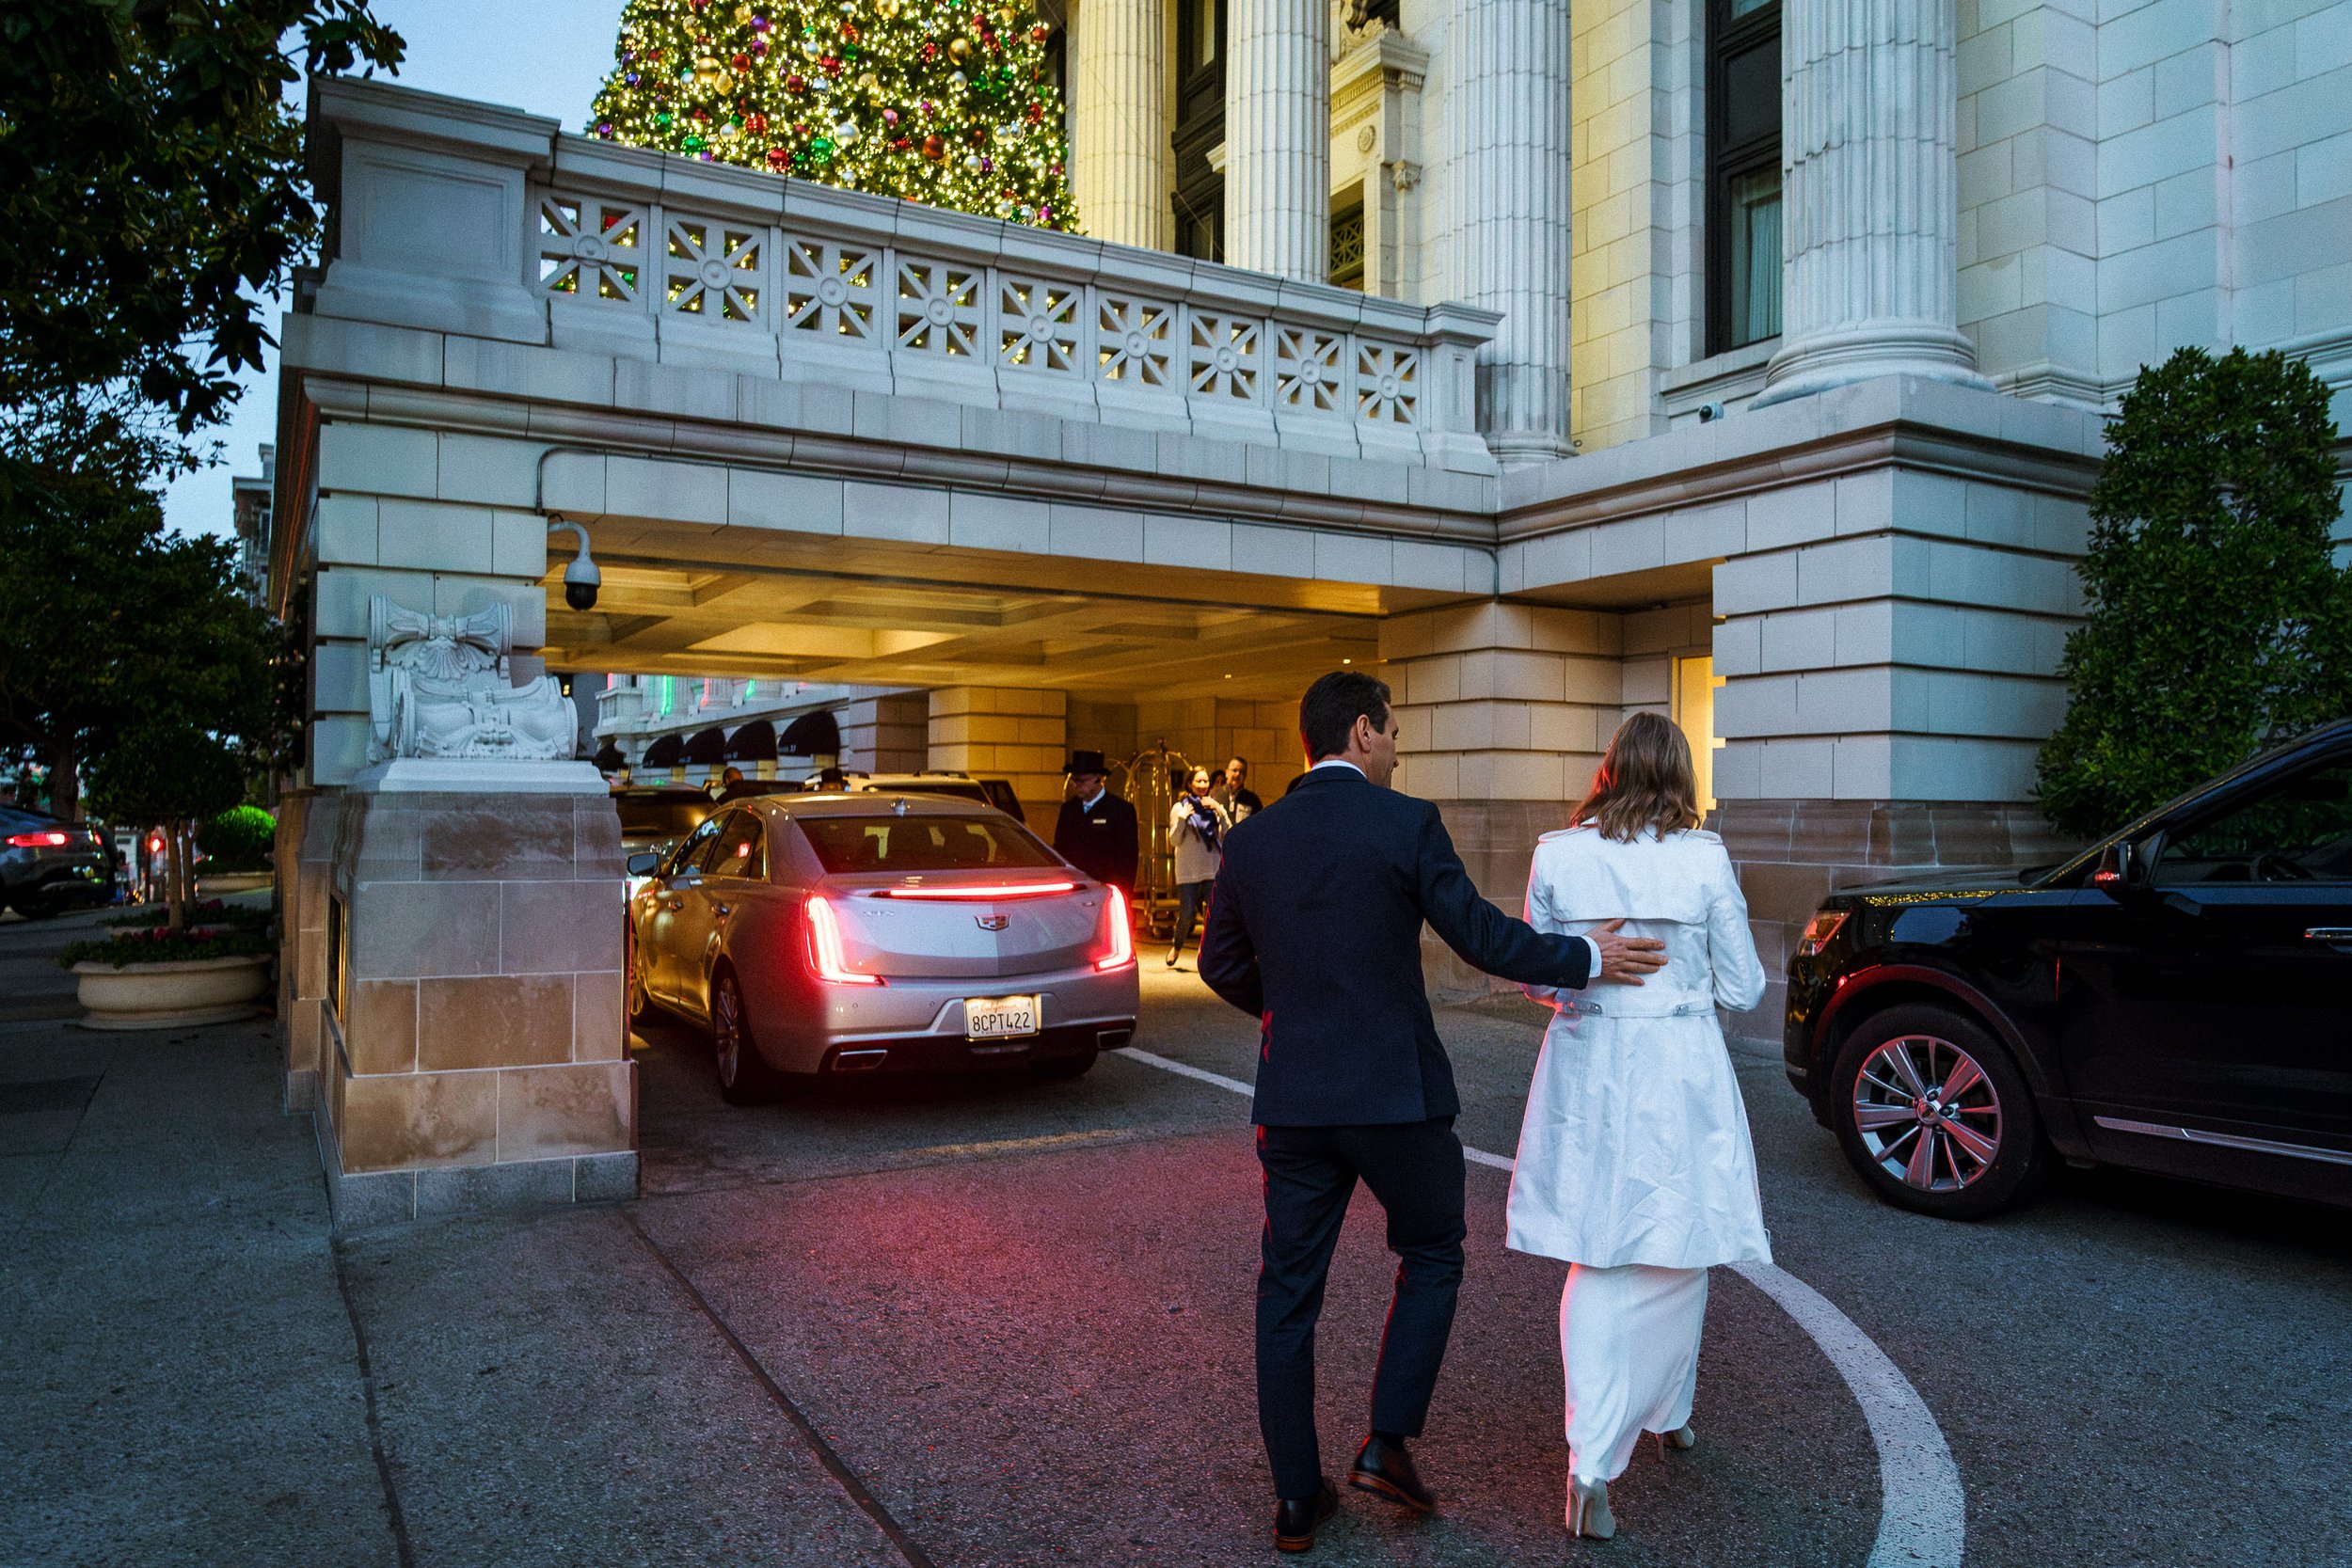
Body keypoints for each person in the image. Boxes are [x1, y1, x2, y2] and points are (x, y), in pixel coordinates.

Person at [1200, 671, 1667, 1554]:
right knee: (1433, 1250)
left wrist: (1291, 1016)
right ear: (1364, 733)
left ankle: (1297, 1498)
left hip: (1295, 1101)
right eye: (1395, 730)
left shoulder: (1252, 840)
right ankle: (1386, 1440)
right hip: (1395, 1098)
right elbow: (1483, 936)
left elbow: (1221, 963)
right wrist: (1586, 955)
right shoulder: (1404, 821)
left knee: (1286, 1295)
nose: (1400, 746)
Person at [1506, 711, 1769, 1542]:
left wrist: (1587, 959)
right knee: (1680, 1240)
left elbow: (1536, 980)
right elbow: (1746, 988)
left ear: (1609, 769)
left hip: (1589, 1066)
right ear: (1681, 776)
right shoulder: (1702, 858)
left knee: (1599, 1250)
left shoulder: (1559, 853)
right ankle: (1665, 1414)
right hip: (1680, 1071)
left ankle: (1599, 1452)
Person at [1165, 766, 1231, 967]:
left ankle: (1206, 950)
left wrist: (1220, 811)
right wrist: (1183, 818)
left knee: (1214, 913)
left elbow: (1227, 835)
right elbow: (1174, 840)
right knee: (1188, 914)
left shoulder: (1213, 806)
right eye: (1198, 781)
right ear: (1190, 784)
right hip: (1188, 871)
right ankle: (1176, 946)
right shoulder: (1180, 807)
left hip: (1211, 869)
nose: (1202, 785)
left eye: (1205, 781)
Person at [1051, 750, 1137, 895]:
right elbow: (1060, 850)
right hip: (1074, 890)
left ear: (1098, 779)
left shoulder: (1120, 810)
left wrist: (1123, 895)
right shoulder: (1069, 809)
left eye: (1081, 781)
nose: (1075, 785)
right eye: (1073, 780)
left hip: (1105, 889)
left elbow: (1127, 860)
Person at [1213, 756, 1263, 825]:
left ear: (1245, 776)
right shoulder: (1215, 795)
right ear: (1227, 773)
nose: (1237, 774)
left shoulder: (1253, 800)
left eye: (1241, 772)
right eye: (1234, 770)